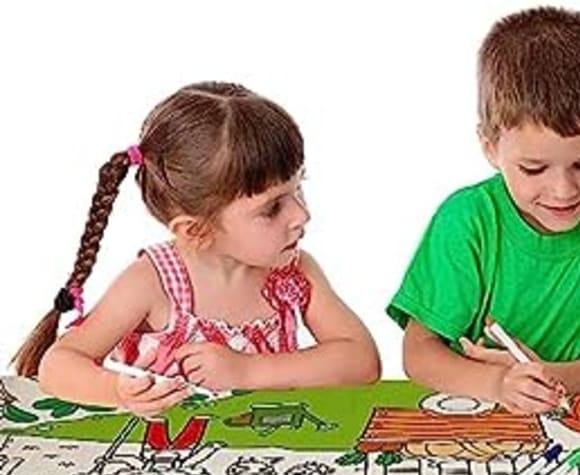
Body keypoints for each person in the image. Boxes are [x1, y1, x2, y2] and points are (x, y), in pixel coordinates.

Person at [387, 6, 580, 415]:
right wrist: (498, 384)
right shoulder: (466, 221)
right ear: (490, 147)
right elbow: (419, 352)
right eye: (533, 169)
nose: (563, 191)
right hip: (479, 417)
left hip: (578, 420)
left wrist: (553, 377)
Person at [14, 82, 380, 416]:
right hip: (169, 453)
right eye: (272, 208)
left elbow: (362, 361)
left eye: (298, 188)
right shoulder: (152, 282)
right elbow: (58, 365)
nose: (302, 214)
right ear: (197, 231)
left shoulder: (294, 271)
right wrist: (118, 392)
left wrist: (248, 371)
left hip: (262, 445)